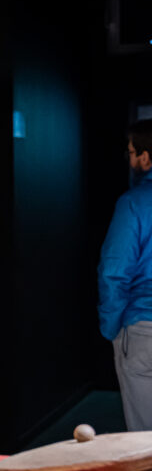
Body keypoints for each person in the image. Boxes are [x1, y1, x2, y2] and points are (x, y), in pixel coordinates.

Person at [98, 120, 152, 431]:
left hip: (144, 328)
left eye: (131, 152)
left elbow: (114, 272)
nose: (130, 160)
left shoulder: (133, 203)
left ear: (146, 157)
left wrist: (112, 329)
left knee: (145, 441)